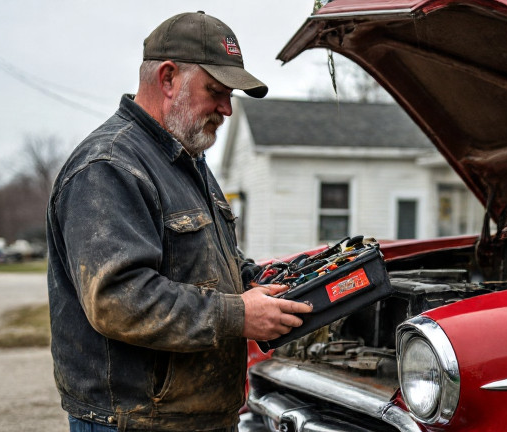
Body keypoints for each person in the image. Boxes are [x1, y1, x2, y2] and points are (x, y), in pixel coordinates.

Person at [46, 11, 313, 432]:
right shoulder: (109, 166)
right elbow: (118, 300)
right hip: (135, 421)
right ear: (168, 78)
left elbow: (205, 264)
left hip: (197, 417)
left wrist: (257, 282)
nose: (227, 108)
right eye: (216, 91)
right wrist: (239, 315)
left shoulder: (187, 161)